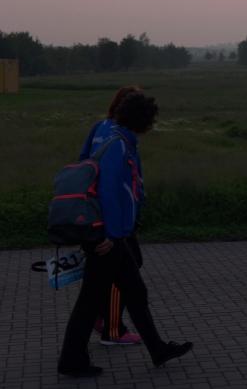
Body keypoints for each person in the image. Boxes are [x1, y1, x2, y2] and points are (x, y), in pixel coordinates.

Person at [58, 92, 193, 377]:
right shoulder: (119, 145)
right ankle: (71, 360)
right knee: (91, 299)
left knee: (135, 292)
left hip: (112, 235)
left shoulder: (113, 137)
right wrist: (109, 235)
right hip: (107, 238)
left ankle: (158, 349)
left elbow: (92, 170)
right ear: (144, 121)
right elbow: (109, 192)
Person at [80, 86, 143, 346]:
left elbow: (83, 163)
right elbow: (116, 184)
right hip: (113, 219)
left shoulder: (98, 127)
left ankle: (101, 319)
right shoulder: (120, 138)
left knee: (105, 274)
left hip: (96, 215)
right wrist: (114, 229)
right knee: (124, 272)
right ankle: (112, 327)